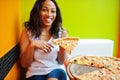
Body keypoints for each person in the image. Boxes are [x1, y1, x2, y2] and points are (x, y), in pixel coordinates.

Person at [19, 0, 69, 80]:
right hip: (35, 73)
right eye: (44, 10)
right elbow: (24, 64)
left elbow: (61, 61)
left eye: (53, 11)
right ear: (38, 11)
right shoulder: (27, 32)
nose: (49, 14)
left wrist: (63, 47)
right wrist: (32, 45)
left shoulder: (62, 33)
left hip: (56, 70)